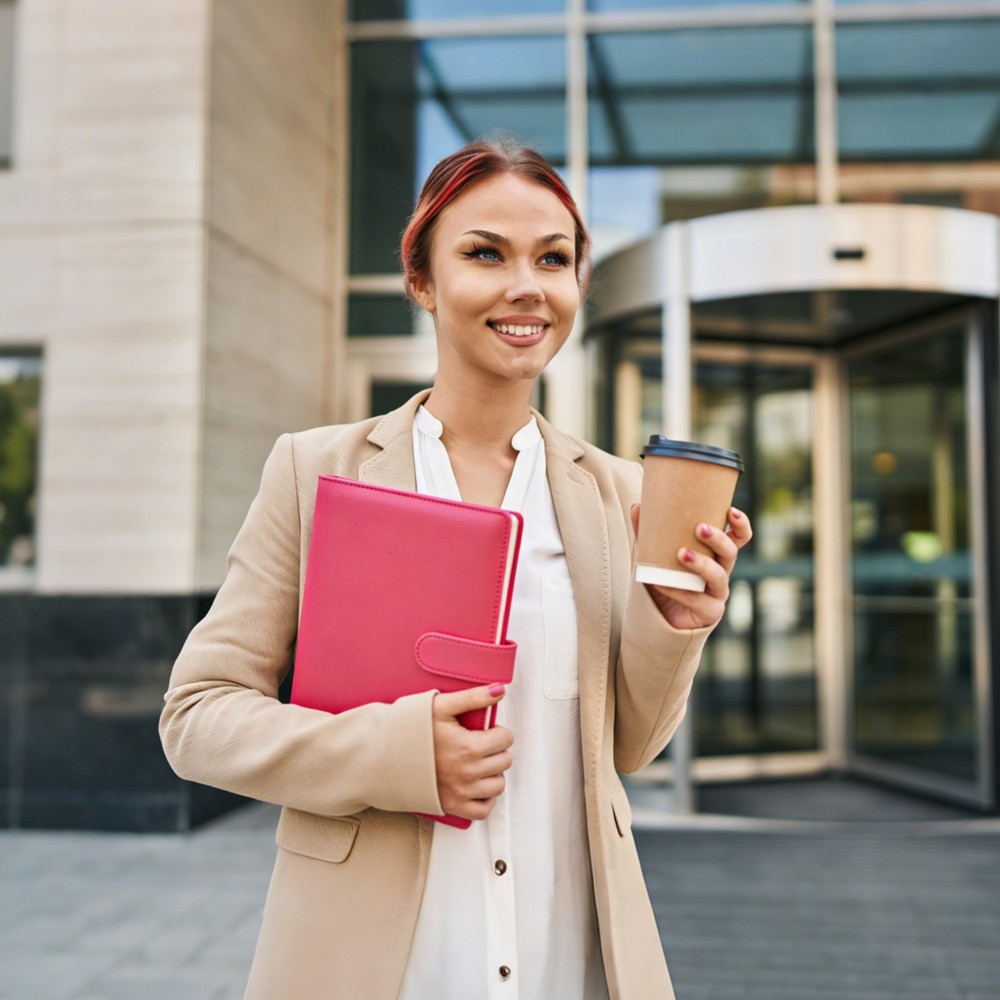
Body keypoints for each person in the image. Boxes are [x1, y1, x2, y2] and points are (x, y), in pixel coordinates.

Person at [160, 139, 752, 1000]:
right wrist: (394, 753)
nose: (526, 286)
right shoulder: (316, 471)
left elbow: (629, 742)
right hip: (378, 961)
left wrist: (679, 626)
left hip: (567, 950)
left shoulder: (615, 493)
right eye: (485, 253)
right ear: (422, 283)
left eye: (554, 259)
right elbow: (197, 717)